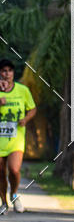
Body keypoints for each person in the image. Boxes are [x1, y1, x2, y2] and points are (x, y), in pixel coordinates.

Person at [0, 58, 36, 213]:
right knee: (0, 173)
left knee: (14, 170)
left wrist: (26, 119)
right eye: (3, 71)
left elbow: (33, 109)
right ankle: (3, 202)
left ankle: (14, 195)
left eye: (9, 70)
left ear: (13, 73)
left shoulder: (22, 90)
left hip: (16, 139)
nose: (7, 74)